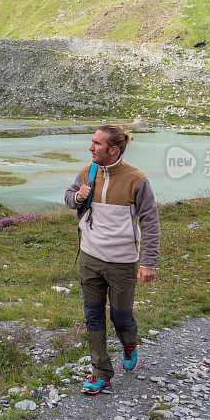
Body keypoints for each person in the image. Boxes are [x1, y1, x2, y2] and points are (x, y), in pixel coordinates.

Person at [64, 125, 160, 395]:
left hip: (122, 262)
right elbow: (69, 198)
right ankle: (101, 372)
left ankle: (129, 343)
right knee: (93, 316)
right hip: (89, 258)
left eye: (96, 143)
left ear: (113, 149)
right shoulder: (86, 172)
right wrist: (77, 197)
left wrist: (148, 262)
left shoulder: (136, 180)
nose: (91, 147)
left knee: (120, 316)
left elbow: (150, 223)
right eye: (92, 142)